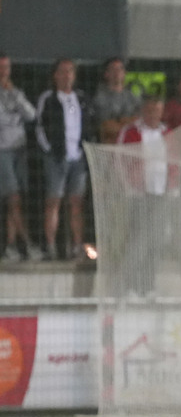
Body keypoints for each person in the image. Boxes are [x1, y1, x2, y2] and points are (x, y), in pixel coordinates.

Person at [116, 95, 177, 296]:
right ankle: (131, 286)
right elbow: (119, 160)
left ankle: (148, 286)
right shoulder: (131, 131)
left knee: (155, 242)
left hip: (160, 194)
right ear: (143, 111)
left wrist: (173, 188)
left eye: (157, 111)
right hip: (139, 195)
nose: (153, 115)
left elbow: (175, 162)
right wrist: (129, 188)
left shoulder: (167, 133)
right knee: (137, 241)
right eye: (150, 111)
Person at [36, 58, 95, 261]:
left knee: (76, 202)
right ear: (55, 75)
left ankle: (77, 246)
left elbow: (89, 123)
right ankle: (51, 246)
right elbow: (39, 126)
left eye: (70, 71)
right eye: (63, 71)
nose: (67, 75)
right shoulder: (48, 98)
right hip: (57, 157)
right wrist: (50, 149)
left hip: (77, 157)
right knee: (53, 201)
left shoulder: (81, 98)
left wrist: (85, 149)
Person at [0, 53, 43, 262]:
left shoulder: (16, 92)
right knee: (13, 198)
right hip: (2, 152)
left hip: (20, 150)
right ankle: (28, 243)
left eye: (6, 67)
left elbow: (32, 115)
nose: (3, 72)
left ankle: (11, 247)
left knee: (15, 202)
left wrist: (16, 98)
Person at [94, 57, 141, 144]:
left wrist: (119, 123)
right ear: (106, 74)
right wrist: (127, 124)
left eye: (120, 69)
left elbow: (139, 123)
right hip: (108, 147)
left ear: (124, 73)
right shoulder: (99, 98)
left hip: (130, 147)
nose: (117, 72)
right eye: (113, 69)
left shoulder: (132, 97)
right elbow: (106, 126)